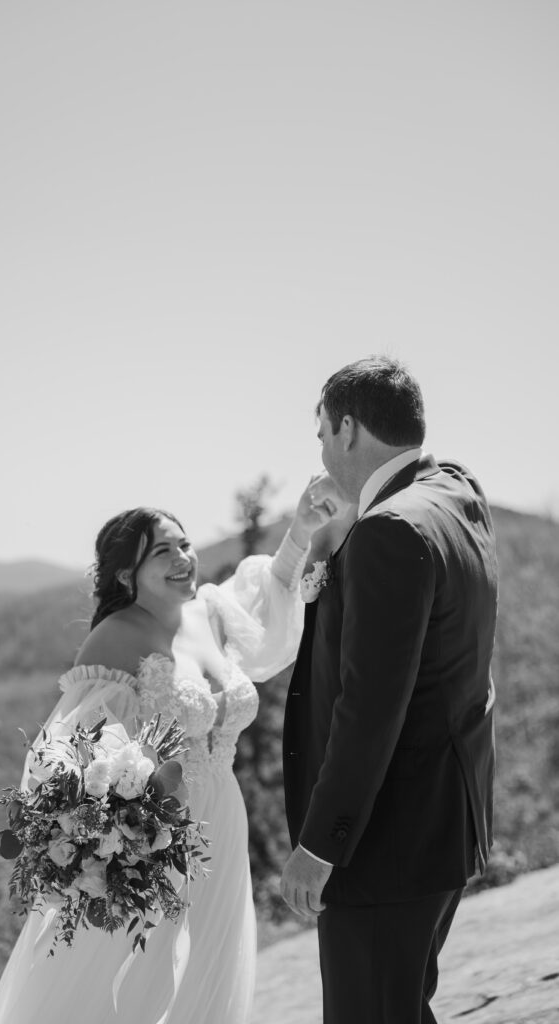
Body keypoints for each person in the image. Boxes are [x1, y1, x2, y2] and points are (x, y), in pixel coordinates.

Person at [0, 474, 346, 1024]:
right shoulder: (117, 637)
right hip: (153, 834)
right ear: (128, 573)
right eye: (163, 552)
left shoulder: (212, 611)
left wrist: (300, 527)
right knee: (137, 975)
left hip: (222, 817)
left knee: (212, 962)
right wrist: (110, 828)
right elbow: (72, 748)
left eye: (184, 544)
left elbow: (272, 601)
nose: (182, 558)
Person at [281, 356, 498, 1024]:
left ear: (347, 430)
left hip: (382, 844)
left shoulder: (387, 533)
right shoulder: (454, 494)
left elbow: (369, 708)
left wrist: (320, 846)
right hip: (445, 824)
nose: (319, 449)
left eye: (320, 433)